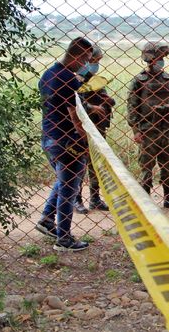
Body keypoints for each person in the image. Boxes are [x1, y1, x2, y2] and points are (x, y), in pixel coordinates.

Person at [36, 37, 94, 251]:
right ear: (77, 55)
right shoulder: (67, 79)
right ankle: (64, 238)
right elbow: (74, 115)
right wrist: (86, 138)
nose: (86, 63)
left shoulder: (48, 74)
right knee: (70, 188)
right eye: (86, 59)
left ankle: (47, 220)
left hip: (49, 137)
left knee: (63, 182)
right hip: (67, 141)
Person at [127, 42, 169, 210]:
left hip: (166, 130)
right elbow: (132, 107)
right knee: (147, 167)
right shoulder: (139, 81)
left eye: (162, 59)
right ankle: (145, 201)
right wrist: (136, 130)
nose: (160, 62)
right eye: (158, 59)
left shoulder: (168, 79)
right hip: (147, 131)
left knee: (168, 165)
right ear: (149, 59)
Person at [75, 44, 115, 213]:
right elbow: (74, 102)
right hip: (80, 129)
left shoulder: (94, 79)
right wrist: (93, 108)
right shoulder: (73, 80)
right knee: (79, 165)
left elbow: (103, 98)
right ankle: (76, 200)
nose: (95, 65)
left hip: (98, 128)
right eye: (93, 61)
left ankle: (95, 199)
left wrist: (108, 101)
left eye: (98, 61)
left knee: (96, 165)